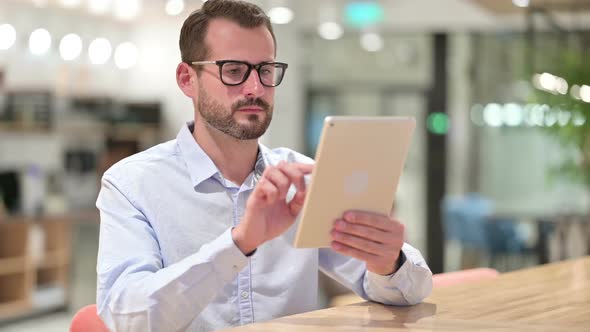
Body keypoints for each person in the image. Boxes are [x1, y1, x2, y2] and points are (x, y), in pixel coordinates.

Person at [95, 0, 432, 331]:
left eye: (266, 70)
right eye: (234, 71)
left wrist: (388, 262)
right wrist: (239, 242)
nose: (255, 88)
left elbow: (412, 291)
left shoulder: (304, 179)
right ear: (187, 79)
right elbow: (127, 318)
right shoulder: (131, 184)